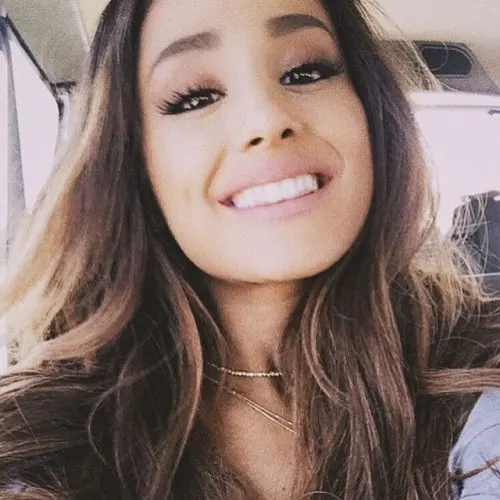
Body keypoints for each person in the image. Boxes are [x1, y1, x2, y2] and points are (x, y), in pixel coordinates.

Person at [0, 0, 500, 498]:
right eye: (195, 98)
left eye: (305, 71)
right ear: (134, 160)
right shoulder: (46, 438)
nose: (266, 119)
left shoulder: (474, 367)